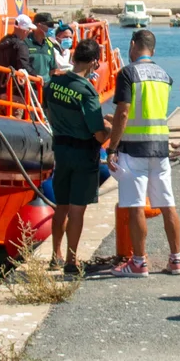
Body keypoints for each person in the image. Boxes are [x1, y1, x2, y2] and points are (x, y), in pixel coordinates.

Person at [105, 29, 180, 276]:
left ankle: (139, 262)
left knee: (135, 205)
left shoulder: (128, 73)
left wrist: (112, 148)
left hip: (133, 149)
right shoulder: (165, 75)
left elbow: (124, 112)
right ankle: (176, 260)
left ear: (132, 45)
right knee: (167, 204)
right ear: (154, 49)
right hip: (160, 148)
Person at [44, 38, 109, 275]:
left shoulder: (53, 83)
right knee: (77, 209)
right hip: (83, 154)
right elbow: (98, 134)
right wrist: (111, 130)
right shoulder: (86, 91)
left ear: (73, 58)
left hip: (60, 149)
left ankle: (55, 256)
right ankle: (72, 261)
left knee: (61, 206)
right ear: (94, 63)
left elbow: (49, 112)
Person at [0, 15, 34, 102]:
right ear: (25, 31)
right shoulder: (21, 46)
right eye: (29, 30)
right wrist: (36, 77)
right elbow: (23, 66)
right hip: (14, 95)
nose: (29, 32)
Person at [25, 12, 59, 86]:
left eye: (53, 25)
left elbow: (52, 69)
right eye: (49, 25)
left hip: (45, 88)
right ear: (38, 25)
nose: (52, 28)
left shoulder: (49, 45)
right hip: (29, 88)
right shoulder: (25, 42)